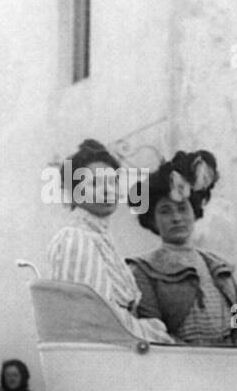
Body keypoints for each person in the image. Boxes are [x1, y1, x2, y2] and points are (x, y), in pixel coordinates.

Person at [127, 150, 237, 346]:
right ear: (152, 221)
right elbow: (152, 330)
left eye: (182, 208)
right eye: (165, 211)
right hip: (178, 367)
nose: (176, 218)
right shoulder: (143, 270)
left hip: (231, 365)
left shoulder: (219, 268)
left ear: (194, 212)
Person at [46, 138, 173, 343]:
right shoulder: (76, 238)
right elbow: (97, 320)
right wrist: (156, 334)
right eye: (95, 183)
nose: (107, 191)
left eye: (112, 182)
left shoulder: (100, 238)